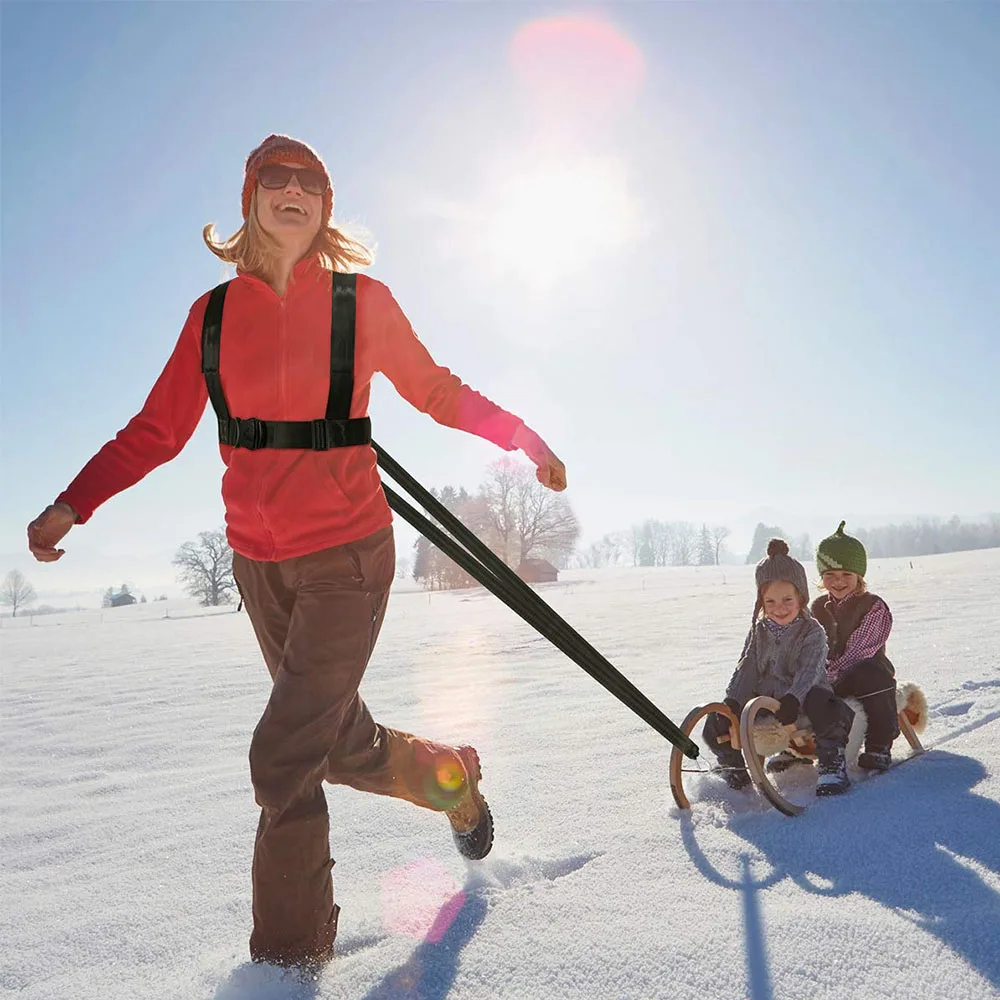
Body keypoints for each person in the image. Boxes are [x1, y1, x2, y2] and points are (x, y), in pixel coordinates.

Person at [26, 134, 567, 970]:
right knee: (338, 746)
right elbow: (156, 431)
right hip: (259, 564)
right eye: (272, 180)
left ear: (325, 206)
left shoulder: (362, 302)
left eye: (308, 182)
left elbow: (435, 389)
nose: (291, 191)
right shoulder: (210, 316)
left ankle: (288, 965)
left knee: (283, 757)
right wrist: (73, 502)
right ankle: (453, 779)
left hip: (349, 555)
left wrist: (523, 438)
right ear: (249, 202)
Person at [703, 539, 854, 797]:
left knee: (824, 704)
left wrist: (793, 698)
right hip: (764, 705)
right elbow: (746, 668)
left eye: (787, 599)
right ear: (761, 602)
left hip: (804, 703)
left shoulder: (812, 632)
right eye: (770, 602)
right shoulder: (758, 631)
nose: (779, 608)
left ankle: (832, 763)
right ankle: (734, 768)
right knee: (714, 721)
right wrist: (733, 701)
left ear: (801, 597)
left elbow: (809, 670)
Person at [812, 521, 899, 772]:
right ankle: (796, 747)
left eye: (846, 575)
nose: (838, 582)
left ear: (858, 576)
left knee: (871, 678)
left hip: (865, 672)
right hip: (830, 676)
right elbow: (812, 643)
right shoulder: (818, 607)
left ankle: (880, 744)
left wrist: (830, 675)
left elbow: (861, 649)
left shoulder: (872, 606)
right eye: (830, 575)